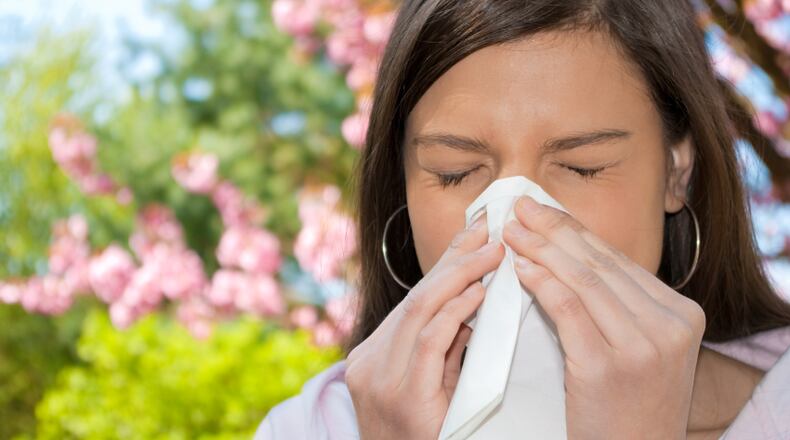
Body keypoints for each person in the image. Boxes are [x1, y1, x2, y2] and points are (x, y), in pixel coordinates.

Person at [255, 0, 790, 438]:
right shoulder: (314, 427)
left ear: (676, 170)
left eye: (583, 168)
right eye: (455, 172)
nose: (512, 221)